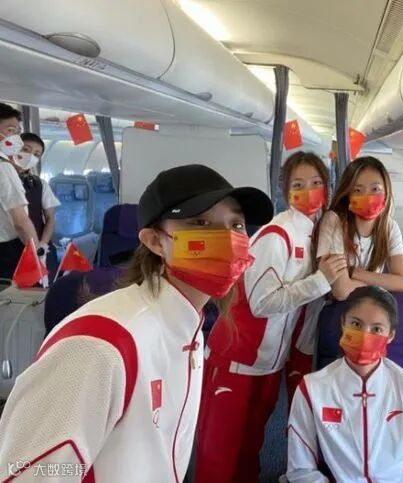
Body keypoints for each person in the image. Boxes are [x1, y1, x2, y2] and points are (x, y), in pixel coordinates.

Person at [0, 164, 273, 482]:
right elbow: (28, 472)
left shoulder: (189, 329)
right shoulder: (99, 347)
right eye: (201, 223)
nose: (227, 238)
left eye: (236, 224)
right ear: (155, 241)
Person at [195, 152, 346, 483]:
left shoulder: (317, 234)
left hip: (269, 363)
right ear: (285, 191)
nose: (309, 191)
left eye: (316, 183)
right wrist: (320, 281)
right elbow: (262, 303)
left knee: (251, 445)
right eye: (298, 185)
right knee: (220, 452)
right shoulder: (277, 235)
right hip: (236, 357)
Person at [287, 285, 403, 482]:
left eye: (376, 329)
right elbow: (300, 469)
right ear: (343, 323)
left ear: (390, 335)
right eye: (356, 324)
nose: (365, 336)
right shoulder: (312, 389)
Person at [316, 156, 403, 301]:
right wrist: (381, 284)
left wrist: (355, 273)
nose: (368, 198)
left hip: (370, 306)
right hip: (336, 308)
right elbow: (341, 291)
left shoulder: (389, 227)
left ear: (386, 192)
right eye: (358, 190)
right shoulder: (334, 221)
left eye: (375, 189)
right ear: (348, 195)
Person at [12, 132, 61, 282]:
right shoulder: (5, 180)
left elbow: (50, 218)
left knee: (44, 291)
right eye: (25, 149)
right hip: (10, 249)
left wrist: (43, 246)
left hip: (40, 247)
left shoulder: (40, 184)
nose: (30, 156)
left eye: (36, 154)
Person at [0, 103, 39, 281]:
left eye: (18, 131)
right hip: (5, 252)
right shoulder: (3, 168)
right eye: (10, 130)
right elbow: (21, 222)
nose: (16, 138)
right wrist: (37, 257)